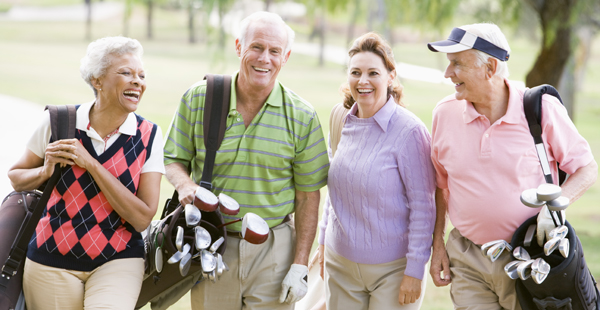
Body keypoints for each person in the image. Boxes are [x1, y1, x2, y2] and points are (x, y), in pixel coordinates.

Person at [163, 11, 329, 310]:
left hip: (274, 250)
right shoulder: (199, 99)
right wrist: (185, 185)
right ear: (239, 47)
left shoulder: (302, 117)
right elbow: (173, 159)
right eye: (257, 47)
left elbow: (308, 198)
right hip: (212, 242)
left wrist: (300, 265)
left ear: (286, 56)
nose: (264, 58)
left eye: (274, 51)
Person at [427, 23, 597, 309]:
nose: (448, 73)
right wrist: (439, 245)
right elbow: (440, 186)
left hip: (529, 259)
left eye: (457, 63)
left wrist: (554, 207)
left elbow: (587, 168)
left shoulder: (539, 109)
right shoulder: (444, 114)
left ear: (490, 67)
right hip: (467, 257)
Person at [7, 36, 164, 310]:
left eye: (141, 75)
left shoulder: (149, 135)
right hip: (50, 259)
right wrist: (45, 171)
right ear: (97, 80)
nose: (137, 81)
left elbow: (142, 218)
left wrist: (90, 163)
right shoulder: (58, 121)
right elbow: (16, 176)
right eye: (126, 73)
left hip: (118, 258)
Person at [316, 32, 436, 309]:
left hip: (393, 271)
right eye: (355, 72)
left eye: (373, 73)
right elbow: (336, 192)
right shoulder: (340, 120)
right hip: (340, 265)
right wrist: (323, 241)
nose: (363, 81)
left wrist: (415, 270)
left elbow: (424, 208)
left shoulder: (410, 132)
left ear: (391, 76)